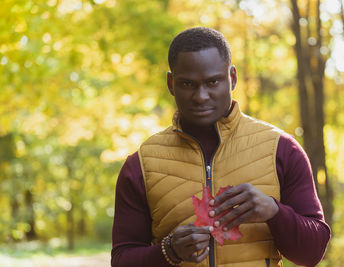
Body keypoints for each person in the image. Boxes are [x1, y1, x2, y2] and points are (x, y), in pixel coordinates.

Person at [111, 27, 331, 267]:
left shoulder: (281, 149)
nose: (201, 96)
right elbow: (122, 259)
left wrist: (274, 212)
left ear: (232, 78)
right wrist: (169, 251)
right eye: (188, 84)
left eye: (213, 81)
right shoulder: (142, 164)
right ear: (171, 83)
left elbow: (312, 253)